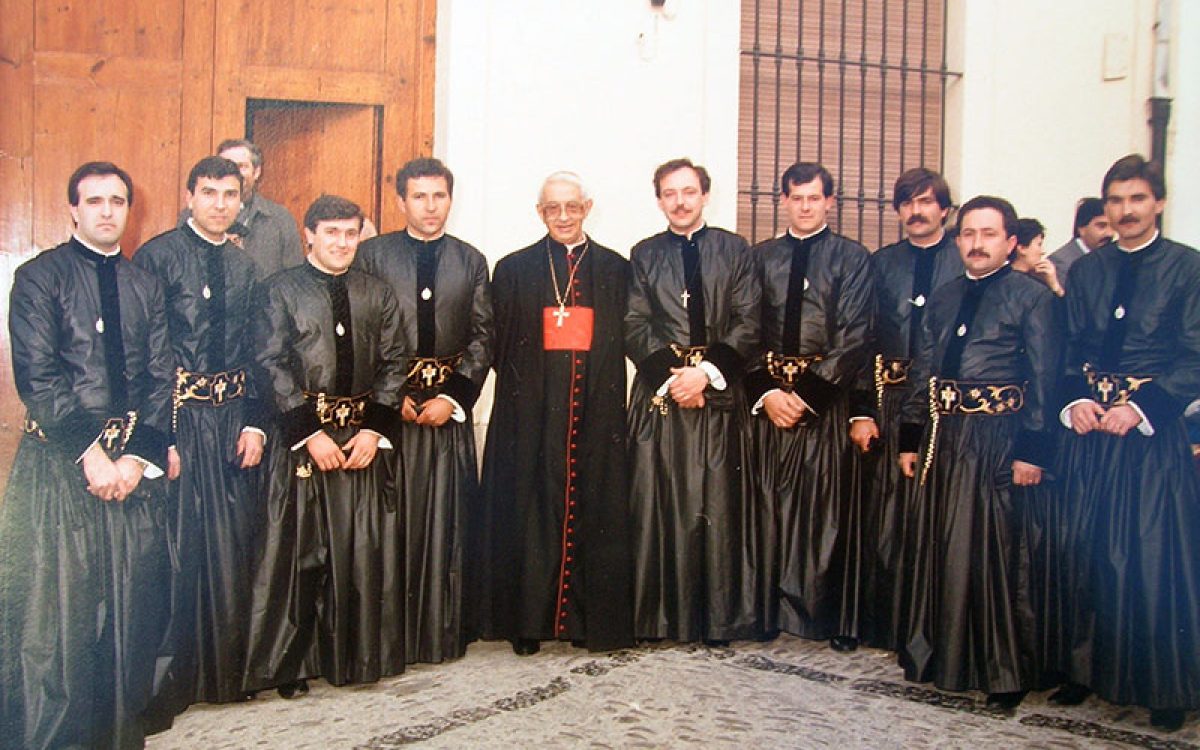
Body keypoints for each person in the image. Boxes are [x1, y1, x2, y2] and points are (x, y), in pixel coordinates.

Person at [0, 162, 175, 749]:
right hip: (61, 468)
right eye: (94, 201)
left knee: (129, 615)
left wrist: (134, 460)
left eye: (118, 200)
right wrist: (93, 456)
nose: (107, 211)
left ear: (130, 209)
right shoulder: (38, 278)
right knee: (55, 621)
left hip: (128, 473)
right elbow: (40, 378)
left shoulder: (145, 284)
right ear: (73, 209)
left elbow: (159, 377)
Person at [1051, 154, 1200, 732]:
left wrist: (1140, 408)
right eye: (1115, 201)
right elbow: (1066, 349)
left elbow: (1195, 355)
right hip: (1091, 436)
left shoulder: (1187, 269)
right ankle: (1083, 673)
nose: (1125, 211)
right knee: (1082, 551)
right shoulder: (1087, 271)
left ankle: (1162, 687)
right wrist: (1075, 402)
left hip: (1147, 437)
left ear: (1158, 203)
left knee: (1151, 558)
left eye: (1136, 199)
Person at [897, 195, 1061, 710]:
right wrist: (910, 436)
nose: (976, 244)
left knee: (994, 555)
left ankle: (1003, 672)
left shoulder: (1031, 298)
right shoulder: (944, 297)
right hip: (944, 441)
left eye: (988, 234)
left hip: (999, 440)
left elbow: (1046, 377)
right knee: (943, 547)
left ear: (1010, 242)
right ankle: (939, 659)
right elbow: (923, 370)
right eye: (968, 233)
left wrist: (1032, 451)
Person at [243, 195, 408, 695]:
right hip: (303, 442)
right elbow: (269, 363)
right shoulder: (280, 291)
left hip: (358, 440)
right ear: (308, 235)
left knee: (359, 551)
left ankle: (353, 659)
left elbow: (395, 362)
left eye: (350, 233)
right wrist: (308, 434)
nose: (341, 243)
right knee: (297, 554)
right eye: (330, 232)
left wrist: (374, 431)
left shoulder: (377, 294)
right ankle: (288, 667)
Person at [478, 171, 633, 655]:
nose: (563, 217)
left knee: (595, 507)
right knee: (529, 508)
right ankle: (527, 622)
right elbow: (498, 345)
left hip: (595, 412)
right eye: (552, 209)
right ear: (539, 212)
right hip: (531, 415)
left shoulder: (614, 269)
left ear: (587, 207)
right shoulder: (514, 269)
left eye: (572, 207)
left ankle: (586, 622)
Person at [135, 156, 267, 717]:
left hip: (233, 419)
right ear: (188, 195)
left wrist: (257, 422)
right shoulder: (157, 257)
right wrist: (159, 438)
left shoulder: (245, 266)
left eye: (229, 193)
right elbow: (147, 356)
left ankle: (226, 674)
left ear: (242, 198)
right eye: (208, 192)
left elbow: (260, 350)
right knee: (179, 547)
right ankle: (169, 684)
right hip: (179, 420)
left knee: (233, 545)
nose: (219, 202)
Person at [355, 157, 493, 664]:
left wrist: (452, 398)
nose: (430, 207)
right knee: (389, 523)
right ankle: (390, 638)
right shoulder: (372, 255)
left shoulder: (471, 260)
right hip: (392, 412)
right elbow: (364, 329)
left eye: (439, 197)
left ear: (450, 200)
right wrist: (395, 400)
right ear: (400, 202)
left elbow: (483, 337)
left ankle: (440, 634)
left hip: (444, 413)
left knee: (445, 524)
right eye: (419, 197)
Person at [626, 158, 761, 644]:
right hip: (662, 401)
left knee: (718, 504)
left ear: (705, 194)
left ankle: (719, 620)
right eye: (669, 193)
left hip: (720, 397)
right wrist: (675, 379)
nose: (680, 201)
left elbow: (749, 321)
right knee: (658, 504)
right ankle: (659, 619)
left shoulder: (735, 250)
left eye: (688, 191)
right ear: (659, 199)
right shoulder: (644, 254)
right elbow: (634, 324)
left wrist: (704, 375)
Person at [745, 162, 873, 651]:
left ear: (829, 202)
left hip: (823, 401)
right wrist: (768, 393)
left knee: (823, 512)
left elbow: (854, 334)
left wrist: (807, 397)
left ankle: (824, 618)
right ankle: (767, 613)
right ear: (783, 200)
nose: (804, 206)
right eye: (796, 198)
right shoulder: (760, 258)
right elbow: (747, 330)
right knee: (768, 507)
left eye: (814, 198)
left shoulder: (852, 258)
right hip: (771, 400)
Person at [853, 167, 961, 653]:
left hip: (944, 407)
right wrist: (861, 411)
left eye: (926, 202)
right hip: (889, 401)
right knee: (887, 516)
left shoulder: (963, 262)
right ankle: (887, 625)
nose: (916, 212)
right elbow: (861, 339)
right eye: (907, 203)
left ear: (945, 209)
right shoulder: (880, 264)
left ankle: (935, 625)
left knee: (937, 513)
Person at [179, 138, 303, 280]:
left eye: (242, 166)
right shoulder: (192, 215)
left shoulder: (280, 218)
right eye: (227, 165)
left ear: (256, 172)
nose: (234, 172)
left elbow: (295, 279)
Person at [1046, 197, 1113, 283]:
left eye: (1113, 226)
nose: (1110, 233)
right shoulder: (1061, 264)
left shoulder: (1111, 259)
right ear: (1081, 228)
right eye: (1101, 226)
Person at [1011, 217, 1065, 296]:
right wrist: (1055, 286)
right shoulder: (1033, 288)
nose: (1043, 252)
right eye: (1039, 244)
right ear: (1022, 248)